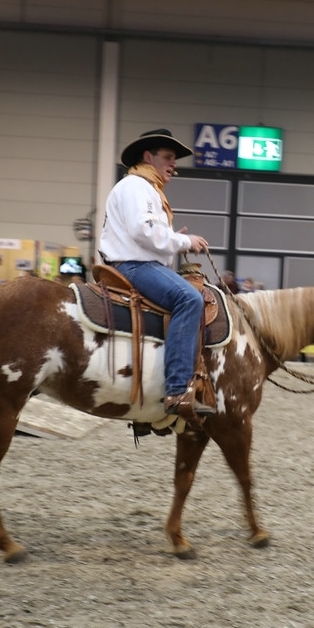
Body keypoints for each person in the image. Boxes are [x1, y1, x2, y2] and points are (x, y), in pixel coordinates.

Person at [99, 128, 214, 418]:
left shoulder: (141, 187)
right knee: (190, 300)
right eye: (168, 157)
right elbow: (143, 231)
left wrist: (170, 237)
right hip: (136, 266)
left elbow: (147, 232)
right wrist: (184, 241)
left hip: (137, 263)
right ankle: (177, 390)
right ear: (148, 157)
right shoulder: (139, 186)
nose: (173, 165)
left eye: (173, 159)